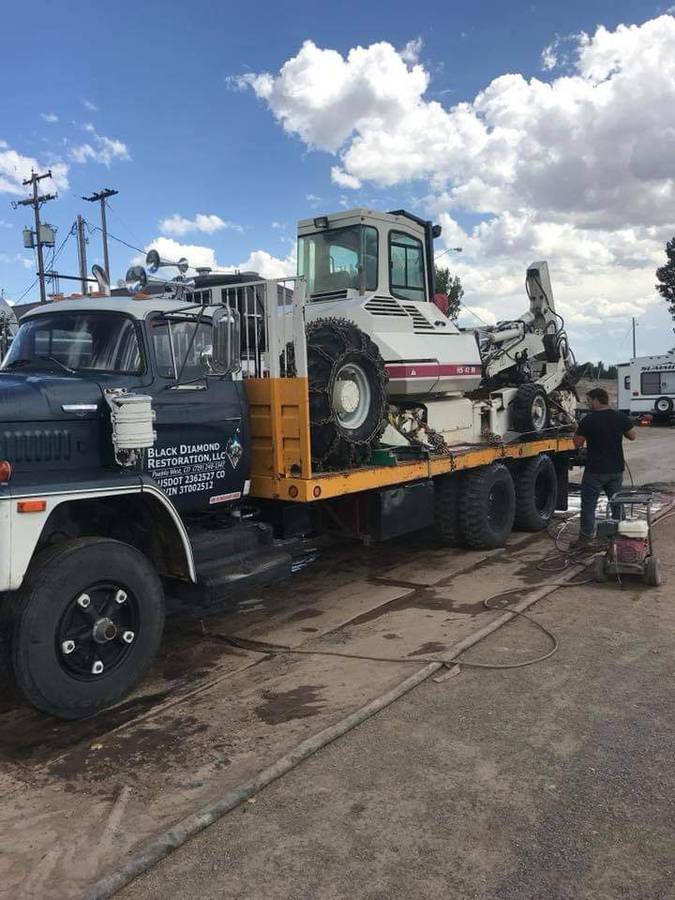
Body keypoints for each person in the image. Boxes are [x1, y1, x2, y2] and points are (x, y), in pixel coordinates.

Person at [573, 387, 636, 543]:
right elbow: (632, 436)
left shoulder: (588, 420)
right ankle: (621, 537)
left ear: (596, 400)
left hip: (595, 471)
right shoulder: (620, 417)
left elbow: (577, 443)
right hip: (616, 470)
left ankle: (586, 539)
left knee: (588, 506)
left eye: (588, 401)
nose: (588, 404)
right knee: (616, 504)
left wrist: (577, 430)